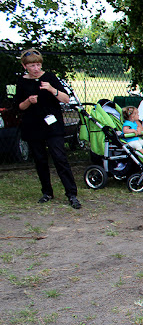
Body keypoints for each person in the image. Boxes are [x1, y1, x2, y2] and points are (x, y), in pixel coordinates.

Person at [14, 48, 82, 209]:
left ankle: (71, 194)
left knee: (59, 157)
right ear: (25, 66)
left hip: (53, 125)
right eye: (32, 66)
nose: (36, 68)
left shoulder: (50, 77)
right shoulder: (22, 82)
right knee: (40, 159)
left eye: (38, 65)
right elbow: (18, 106)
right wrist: (28, 101)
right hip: (33, 125)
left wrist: (52, 89)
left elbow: (66, 99)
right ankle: (47, 192)